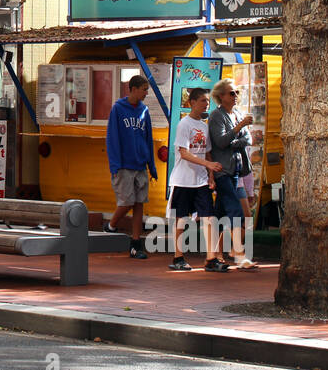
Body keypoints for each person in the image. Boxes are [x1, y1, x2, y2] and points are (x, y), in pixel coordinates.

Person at [167, 87, 228, 272]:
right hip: (183, 180)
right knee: (181, 218)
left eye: (207, 101)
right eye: (202, 100)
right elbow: (184, 153)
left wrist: (210, 175)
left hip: (200, 180)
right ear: (192, 102)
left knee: (209, 217)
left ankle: (211, 257)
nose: (206, 104)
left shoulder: (204, 125)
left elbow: (207, 152)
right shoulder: (184, 125)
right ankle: (178, 256)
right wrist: (208, 165)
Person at [103, 74, 158, 259]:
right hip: (124, 165)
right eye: (144, 90)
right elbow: (112, 138)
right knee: (126, 201)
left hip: (140, 163)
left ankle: (136, 243)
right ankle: (111, 225)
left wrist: (152, 165)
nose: (145, 94)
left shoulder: (144, 110)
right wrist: (115, 164)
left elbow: (148, 138)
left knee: (139, 203)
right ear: (133, 89)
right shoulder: (118, 109)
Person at [208, 78, 257, 270]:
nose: (235, 96)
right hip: (223, 171)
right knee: (236, 212)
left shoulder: (236, 113)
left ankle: (212, 257)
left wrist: (234, 141)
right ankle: (239, 255)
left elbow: (249, 138)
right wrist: (238, 129)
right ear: (221, 96)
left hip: (236, 170)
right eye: (231, 93)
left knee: (220, 214)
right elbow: (220, 142)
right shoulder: (216, 116)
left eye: (236, 92)